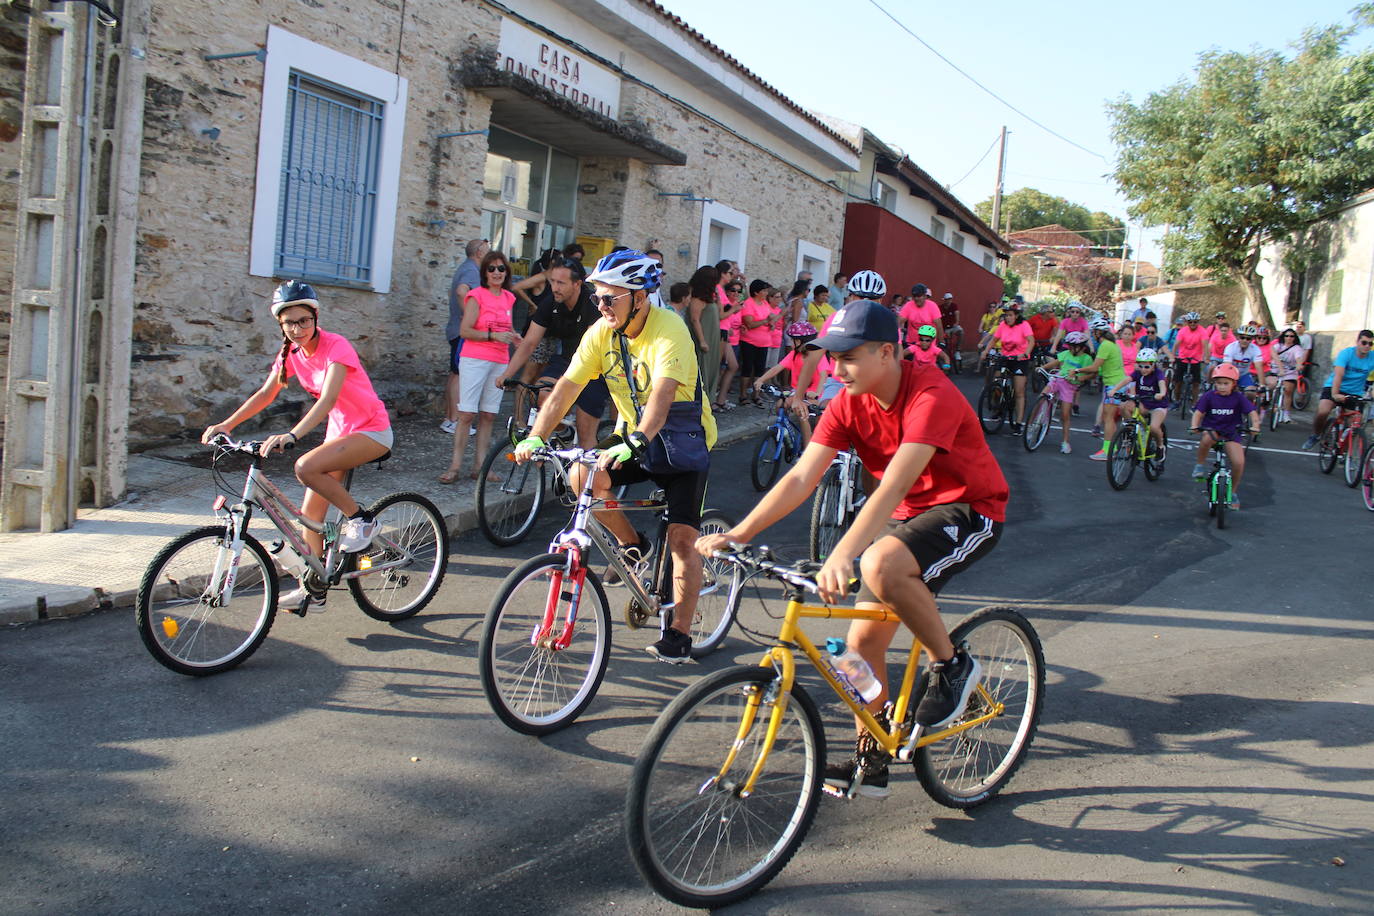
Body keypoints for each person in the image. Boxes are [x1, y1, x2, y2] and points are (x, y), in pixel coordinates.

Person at [697, 298, 1007, 799]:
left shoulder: (931, 392)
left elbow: (893, 487)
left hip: (969, 508)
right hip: (910, 518)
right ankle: (873, 759)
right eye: (831, 357)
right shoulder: (847, 401)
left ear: (888, 353)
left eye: (848, 357)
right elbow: (802, 475)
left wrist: (844, 552)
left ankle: (952, 666)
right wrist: (741, 533)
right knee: (856, 653)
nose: (836, 370)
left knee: (879, 563)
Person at [514, 250, 716, 663]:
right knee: (581, 476)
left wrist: (639, 437)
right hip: (632, 437)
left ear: (640, 298)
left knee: (681, 540)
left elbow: (661, 398)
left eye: (611, 299)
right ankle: (633, 543)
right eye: (597, 298)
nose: (601, 306)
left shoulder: (669, 330)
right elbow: (566, 389)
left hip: (681, 440)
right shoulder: (600, 333)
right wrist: (535, 436)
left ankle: (679, 633)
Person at [201, 281, 391, 612]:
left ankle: (362, 521)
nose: (297, 328)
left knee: (304, 467)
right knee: (309, 520)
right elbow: (265, 394)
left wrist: (293, 435)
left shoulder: (337, 346)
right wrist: (227, 425)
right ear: (281, 325)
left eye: (304, 320)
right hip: (340, 434)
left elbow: (329, 398)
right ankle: (315, 592)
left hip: (371, 430)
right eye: (289, 323)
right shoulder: (291, 353)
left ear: (315, 318)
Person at [495, 258, 607, 448]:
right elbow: (529, 342)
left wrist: (565, 383)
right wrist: (507, 374)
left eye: (561, 283)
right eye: (552, 281)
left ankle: (589, 474)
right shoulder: (551, 303)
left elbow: (590, 351)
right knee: (541, 394)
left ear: (577, 283)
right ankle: (563, 431)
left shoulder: (592, 305)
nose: (554, 287)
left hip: (595, 367)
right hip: (567, 361)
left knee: (585, 432)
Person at [440, 249, 520, 483]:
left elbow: (508, 327)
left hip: (499, 360)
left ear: (507, 272)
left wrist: (514, 336)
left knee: (488, 414)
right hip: (475, 358)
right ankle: (455, 467)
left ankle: (480, 467)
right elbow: (465, 330)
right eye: (491, 268)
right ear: (484, 272)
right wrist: (494, 336)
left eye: (501, 268)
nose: (497, 272)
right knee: (466, 414)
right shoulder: (476, 295)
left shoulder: (509, 297)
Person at [1191, 364, 1260, 508]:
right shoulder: (1209, 396)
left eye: (1225, 383)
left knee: (1239, 462)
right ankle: (1200, 465)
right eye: (1218, 383)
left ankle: (1233, 492)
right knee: (1207, 439)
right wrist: (1194, 425)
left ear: (1234, 384)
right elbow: (1198, 413)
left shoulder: (1238, 397)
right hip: (1212, 429)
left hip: (1231, 432)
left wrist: (1255, 426)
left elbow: (1252, 413)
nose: (1222, 387)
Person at [443, 238, 489, 434]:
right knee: (459, 374)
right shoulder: (471, 270)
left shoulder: (466, 268)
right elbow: (461, 292)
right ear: (479, 252)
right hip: (461, 331)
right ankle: (453, 420)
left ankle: (449, 418)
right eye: (487, 250)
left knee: (456, 373)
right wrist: (471, 320)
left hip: (456, 328)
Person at [754, 321, 824, 445]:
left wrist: (817, 391)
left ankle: (807, 449)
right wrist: (761, 379)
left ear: (803, 341)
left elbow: (824, 374)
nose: (791, 343)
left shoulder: (817, 356)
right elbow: (777, 367)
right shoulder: (794, 354)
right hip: (798, 392)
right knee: (779, 405)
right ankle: (785, 431)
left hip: (816, 393)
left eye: (794, 341)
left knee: (802, 413)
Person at [1302, 330, 1374, 449]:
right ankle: (1316, 435)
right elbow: (1338, 375)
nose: (1367, 346)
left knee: (1355, 425)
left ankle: (1345, 454)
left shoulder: (1372, 357)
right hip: (1335, 386)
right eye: (1364, 342)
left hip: (1355, 392)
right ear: (1357, 342)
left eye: (1370, 344)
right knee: (1323, 411)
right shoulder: (1346, 354)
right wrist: (1335, 394)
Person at [979, 302, 1034, 433]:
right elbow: (993, 340)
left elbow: (1031, 341)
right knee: (996, 383)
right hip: (1005, 357)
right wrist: (985, 351)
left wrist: (1026, 353)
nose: (1007, 318)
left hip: (1020, 360)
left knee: (1019, 391)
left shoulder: (1024, 325)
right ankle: (999, 407)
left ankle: (1019, 422)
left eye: (1010, 315)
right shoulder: (1002, 325)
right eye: (1006, 315)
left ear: (1016, 315)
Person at [1079, 318, 1128, 461]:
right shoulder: (1111, 345)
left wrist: (1077, 370)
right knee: (1109, 417)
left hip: (1114, 384)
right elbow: (1101, 369)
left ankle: (1108, 450)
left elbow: (1094, 367)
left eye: (1094, 332)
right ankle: (1112, 448)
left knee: (1108, 418)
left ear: (1098, 332)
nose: (1093, 335)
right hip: (1115, 383)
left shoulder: (1105, 345)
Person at [1039, 331, 1093, 453]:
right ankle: (1036, 421)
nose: (1071, 348)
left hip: (1070, 385)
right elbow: (1056, 362)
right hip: (1059, 379)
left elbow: (1092, 374)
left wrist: (1080, 378)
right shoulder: (1066, 353)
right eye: (1070, 346)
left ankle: (1065, 442)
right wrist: (1043, 367)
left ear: (1082, 347)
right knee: (1042, 396)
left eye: (1074, 346)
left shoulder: (1086, 358)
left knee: (1065, 414)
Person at [1111, 347, 1170, 456]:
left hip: (1158, 406)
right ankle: (1129, 432)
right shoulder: (1138, 373)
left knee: (1153, 427)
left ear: (1153, 365)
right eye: (1140, 366)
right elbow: (1127, 380)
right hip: (1143, 403)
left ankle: (1160, 446)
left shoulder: (1158, 373)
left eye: (1147, 366)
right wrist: (1115, 389)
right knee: (1124, 406)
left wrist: (1161, 393)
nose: (1143, 369)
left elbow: (1162, 384)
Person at [685, 266, 723, 401]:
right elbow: (694, 319)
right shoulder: (697, 297)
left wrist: (718, 299)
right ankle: (701, 400)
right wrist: (702, 341)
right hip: (703, 338)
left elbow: (719, 314)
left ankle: (709, 398)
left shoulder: (708, 296)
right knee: (703, 369)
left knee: (712, 368)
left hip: (712, 337)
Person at [738, 280, 778, 400]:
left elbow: (770, 316)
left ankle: (756, 395)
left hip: (764, 341)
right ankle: (743, 395)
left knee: (760, 370)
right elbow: (749, 323)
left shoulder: (764, 303)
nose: (766, 293)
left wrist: (771, 323)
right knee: (747, 368)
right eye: (764, 291)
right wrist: (766, 321)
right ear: (756, 292)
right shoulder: (748, 303)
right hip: (749, 341)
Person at [1267, 327, 1306, 422]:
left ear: (1294, 338)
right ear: (1283, 336)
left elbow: (1299, 359)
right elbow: (1273, 354)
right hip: (1276, 370)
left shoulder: (1296, 348)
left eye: (1292, 336)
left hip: (1290, 372)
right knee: (1270, 385)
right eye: (1287, 336)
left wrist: (1299, 365)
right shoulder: (1278, 346)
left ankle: (1286, 414)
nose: (1289, 338)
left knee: (1288, 390)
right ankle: (1269, 402)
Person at [715, 281, 743, 410]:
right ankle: (713, 400)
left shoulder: (735, 304)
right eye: (733, 290)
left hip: (727, 337)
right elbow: (721, 317)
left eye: (739, 291)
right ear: (726, 292)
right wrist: (733, 310)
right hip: (720, 334)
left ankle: (720, 399)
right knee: (718, 369)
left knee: (733, 366)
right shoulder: (729, 304)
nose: (736, 293)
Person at [1172, 312, 1208, 405]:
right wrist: (1172, 356)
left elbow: (1205, 345)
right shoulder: (1183, 331)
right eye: (1190, 322)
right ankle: (1177, 400)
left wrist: (1206, 358)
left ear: (1198, 322)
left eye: (1195, 322)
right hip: (1183, 357)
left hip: (1196, 359)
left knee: (1196, 383)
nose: (1192, 324)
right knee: (1178, 381)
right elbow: (1176, 344)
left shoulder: (1202, 331)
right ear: (1187, 322)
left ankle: (1194, 404)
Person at [1222, 325, 1265, 399]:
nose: (1244, 340)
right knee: (1228, 392)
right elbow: (1227, 366)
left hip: (1244, 374)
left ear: (1252, 340)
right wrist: (1233, 382)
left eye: (1248, 338)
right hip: (1230, 374)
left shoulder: (1255, 349)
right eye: (1242, 337)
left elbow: (1259, 367)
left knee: (1251, 392)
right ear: (1238, 337)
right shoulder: (1230, 347)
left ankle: (1248, 409)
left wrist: (1262, 385)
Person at [939, 292, 963, 368]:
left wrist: (956, 323)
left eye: (950, 299)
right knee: (944, 343)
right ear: (944, 300)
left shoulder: (954, 306)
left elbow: (957, 314)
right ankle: (945, 357)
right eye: (947, 299)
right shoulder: (940, 307)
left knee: (961, 331)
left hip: (953, 327)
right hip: (945, 328)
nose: (949, 301)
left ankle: (958, 350)